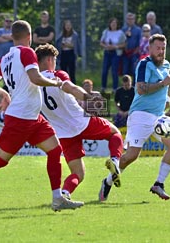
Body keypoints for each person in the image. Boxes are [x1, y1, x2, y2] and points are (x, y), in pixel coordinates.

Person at [0, 20, 84, 213]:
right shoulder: (27, 52)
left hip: (32, 117)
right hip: (21, 118)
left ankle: (57, 198)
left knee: (55, 150)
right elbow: (35, 78)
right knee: (0, 160)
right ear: (29, 37)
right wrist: (57, 84)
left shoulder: (5, 58)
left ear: (12, 36)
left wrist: (3, 94)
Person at [99, 34, 170, 201]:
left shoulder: (166, 64)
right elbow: (140, 89)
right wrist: (162, 83)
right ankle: (107, 181)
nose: (161, 51)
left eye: (163, 48)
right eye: (158, 48)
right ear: (150, 48)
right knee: (131, 156)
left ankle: (159, 184)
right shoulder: (144, 64)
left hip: (158, 117)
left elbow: (168, 85)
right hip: (140, 115)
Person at [35, 43, 124, 200]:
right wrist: (89, 98)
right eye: (55, 60)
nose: (56, 63)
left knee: (78, 174)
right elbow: (72, 88)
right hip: (81, 121)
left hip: (63, 133)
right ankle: (115, 161)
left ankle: (65, 193)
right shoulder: (58, 75)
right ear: (49, 60)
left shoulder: (33, 84)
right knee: (114, 133)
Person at [100, 17, 126, 93]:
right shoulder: (106, 32)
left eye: (115, 23)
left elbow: (124, 44)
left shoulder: (120, 33)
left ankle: (115, 88)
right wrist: (106, 46)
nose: (113, 25)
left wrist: (115, 46)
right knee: (104, 70)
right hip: (107, 53)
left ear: (117, 24)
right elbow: (101, 42)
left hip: (116, 53)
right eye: (112, 23)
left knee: (114, 71)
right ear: (110, 24)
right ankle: (103, 87)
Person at [56, 20, 81, 84]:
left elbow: (75, 45)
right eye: (66, 25)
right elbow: (59, 44)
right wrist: (66, 45)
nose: (68, 27)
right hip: (63, 54)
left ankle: (73, 87)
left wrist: (67, 45)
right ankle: (64, 86)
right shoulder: (61, 35)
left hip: (71, 54)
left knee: (72, 72)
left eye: (69, 25)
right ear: (64, 26)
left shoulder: (74, 35)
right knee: (63, 72)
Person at [122, 13, 142, 78]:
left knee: (134, 70)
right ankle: (125, 86)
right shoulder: (123, 29)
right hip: (125, 53)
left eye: (131, 19)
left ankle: (134, 86)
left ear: (134, 20)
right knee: (125, 70)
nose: (130, 20)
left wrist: (136, 51)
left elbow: (140, 42)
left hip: (134, 53)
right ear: (126, 20)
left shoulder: (138, 30)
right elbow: (120, 41)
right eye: (128, 19)